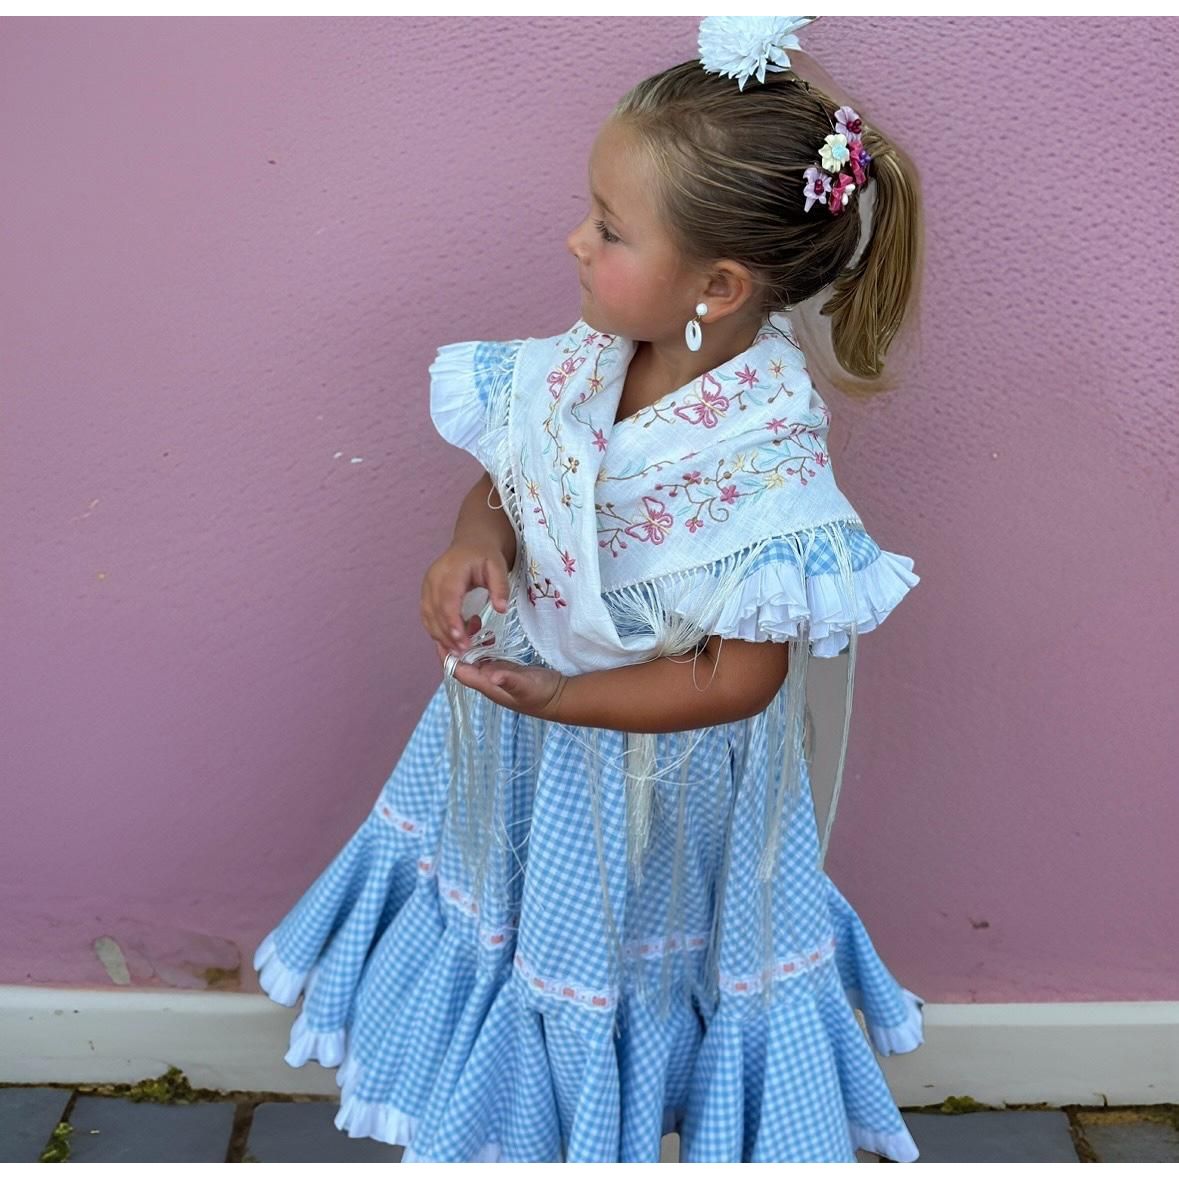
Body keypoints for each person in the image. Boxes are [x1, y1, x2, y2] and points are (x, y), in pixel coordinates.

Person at [253, 16, 927, 1163]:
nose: (574, 240)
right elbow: (514, 483)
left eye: (610, 228)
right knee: (504, 930)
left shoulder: (765, 459)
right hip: (520, 740)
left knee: (602, 972)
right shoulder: (598, 351)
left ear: (715, 283)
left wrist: (565, 703)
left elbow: (739, 679)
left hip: (641, 791)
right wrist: (474, 545)